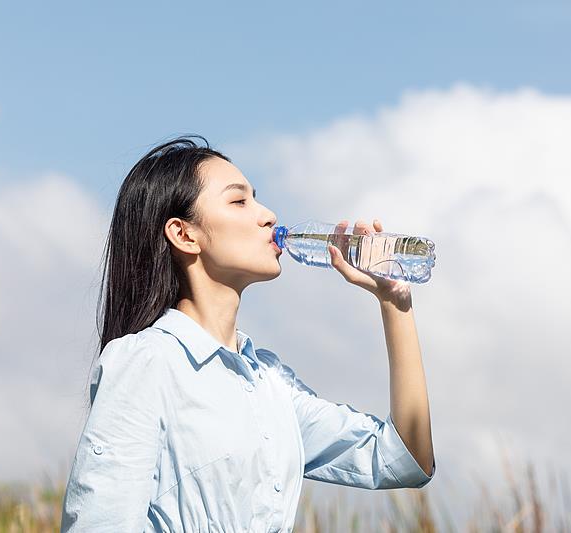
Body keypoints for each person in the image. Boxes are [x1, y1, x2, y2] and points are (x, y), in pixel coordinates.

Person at [60, 135, 436, 532]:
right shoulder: (147, 362)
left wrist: (394, 302)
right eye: (239, 201)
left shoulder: (270, 382)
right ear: (184, 234)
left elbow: (404, 458)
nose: (269, 215)